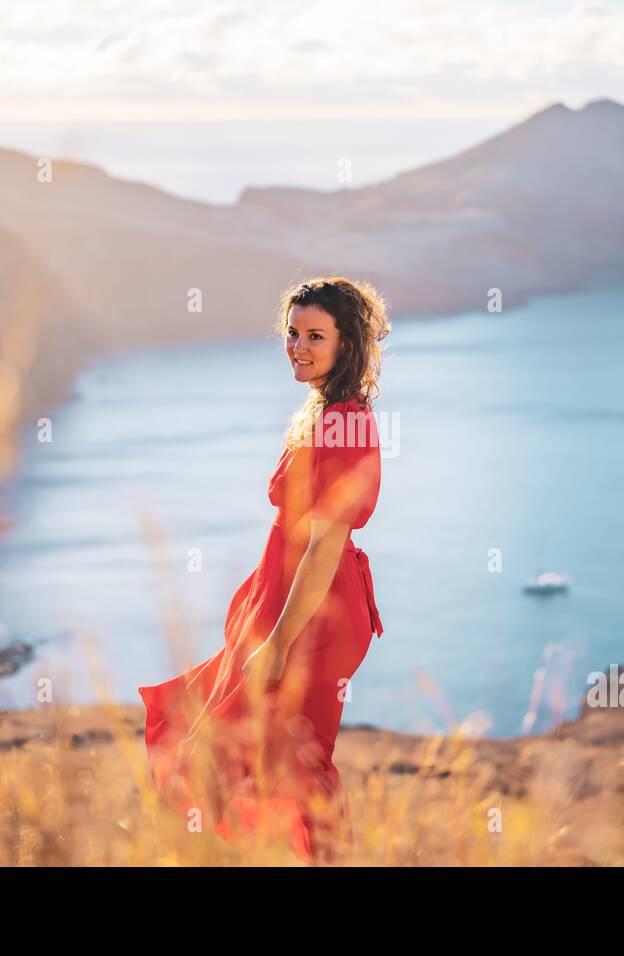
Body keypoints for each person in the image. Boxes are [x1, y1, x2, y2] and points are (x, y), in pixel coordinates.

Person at [138, 275, 390, 864]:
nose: (298, 347)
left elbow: (325, 546)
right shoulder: (324, 408)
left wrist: (277, 642)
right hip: (293, 602)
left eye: (315, 337)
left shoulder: (346, 422)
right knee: (242, 741)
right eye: (293, 333)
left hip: (315, 616)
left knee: (298, 761)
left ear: (347, 344)